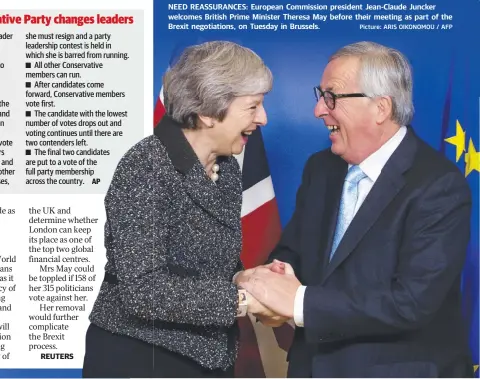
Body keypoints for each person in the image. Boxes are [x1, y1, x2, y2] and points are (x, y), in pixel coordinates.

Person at [237, 41, 473, 377]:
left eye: (331, 96)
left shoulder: (439, 186)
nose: (319, 109)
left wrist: (298, 303)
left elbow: (412, 302)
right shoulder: (320, 168)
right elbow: (294, 252)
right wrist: (272, 286)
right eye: (320, 95)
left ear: (380, 108)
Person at [82, 41, 275, 378]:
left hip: (208, 357)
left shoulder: (225, 166)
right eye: (253, 106)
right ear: (207, 113)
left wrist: (242, 278)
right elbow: (142, 291)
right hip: (142, 358)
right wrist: (241, 300)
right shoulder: (146, 166)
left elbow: (202, 262)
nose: (263, 118)